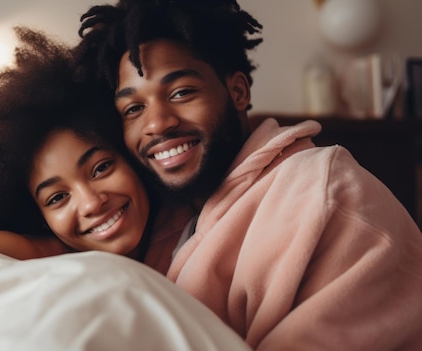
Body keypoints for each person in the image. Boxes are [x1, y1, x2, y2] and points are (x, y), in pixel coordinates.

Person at [73, 0, 422, 349]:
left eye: (181, 92)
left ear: (237, 91)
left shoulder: (326, 194)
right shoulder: (164, 217)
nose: (157, 123)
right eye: (134, 109)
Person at [0, 27, 155, 262]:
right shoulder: (57, 252)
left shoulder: (193, 222)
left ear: (129, 157)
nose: (91, 204)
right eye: (56, 198)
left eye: (101, 168)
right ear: (41, 221)